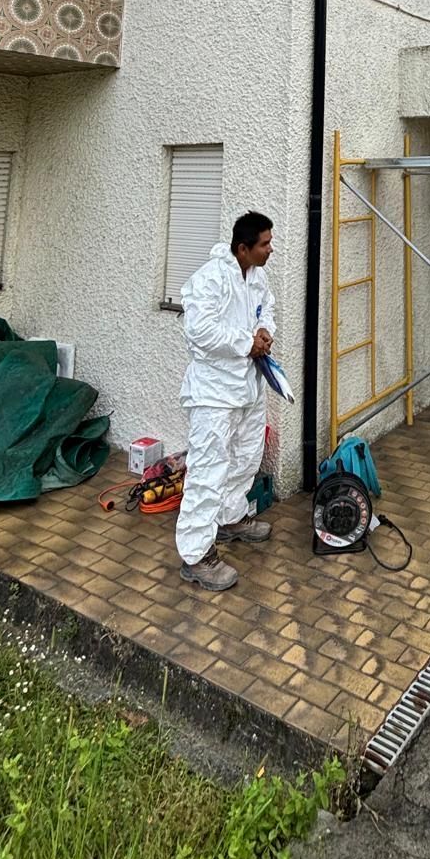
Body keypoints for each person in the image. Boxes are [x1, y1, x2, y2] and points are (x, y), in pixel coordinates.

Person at [175, 211, 276, 591]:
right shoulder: (210, 279)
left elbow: (268, 308)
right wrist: (245, 342)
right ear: (243, 248)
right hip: (214, 394)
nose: (270, 249)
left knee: (246, 456)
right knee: (208, 471)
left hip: (249, 387)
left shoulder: (257, 275)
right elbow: (199, 331)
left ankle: (232, 518)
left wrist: (265, 330)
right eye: (265, 243)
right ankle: (196, 555)